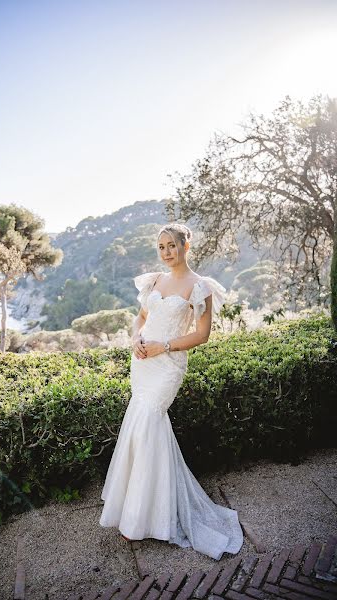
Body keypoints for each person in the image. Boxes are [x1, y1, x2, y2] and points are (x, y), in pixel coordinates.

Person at [99, 223, 244, 560]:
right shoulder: (156, 280)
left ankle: (141, 519)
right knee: (140, 429)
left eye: (171, 246)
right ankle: (138, 509)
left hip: (167, 365)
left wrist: (163, 346)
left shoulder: (200, 287)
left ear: (185, 246)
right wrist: (135, 338)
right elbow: (140, 318)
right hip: (143, 362)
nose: (166, 252)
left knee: (149, 422)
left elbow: (202, 335)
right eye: (161, 247)